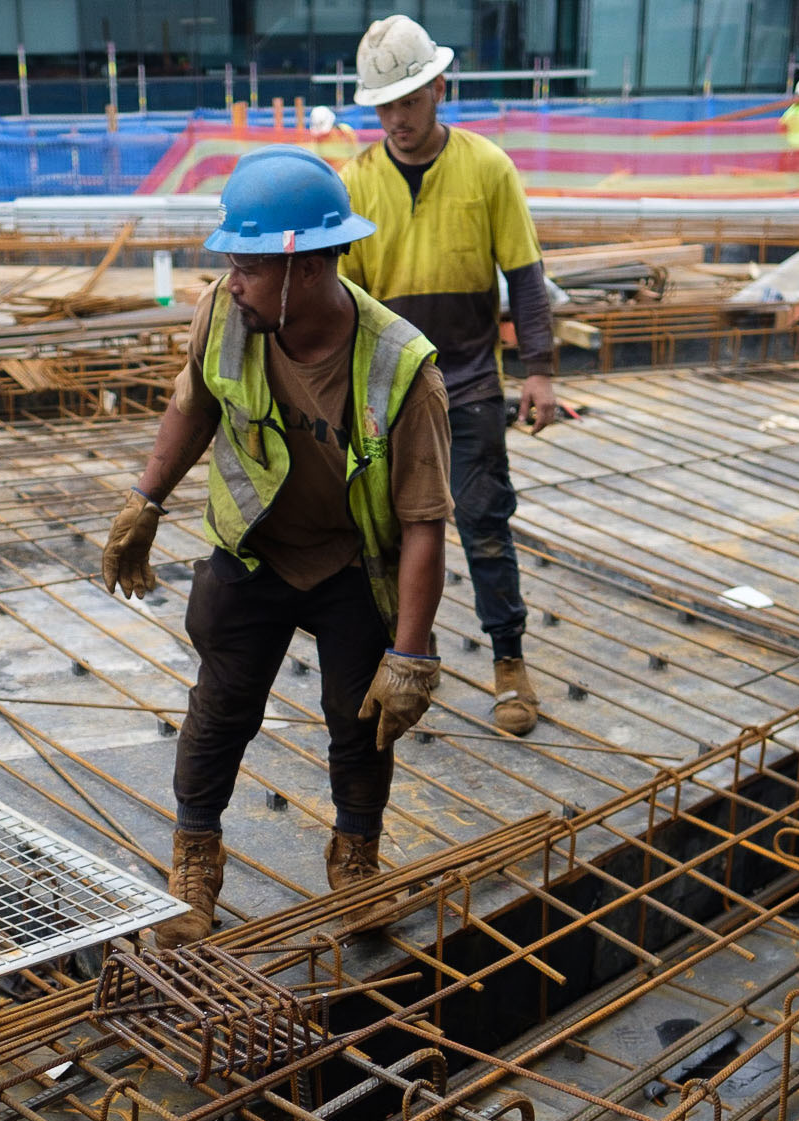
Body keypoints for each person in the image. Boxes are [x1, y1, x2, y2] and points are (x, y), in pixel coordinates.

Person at [98, 147, 451, 945]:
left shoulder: (403, 369)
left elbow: (426, 520)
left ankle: (355, 860)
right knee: (220, 709)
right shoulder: (227, 315)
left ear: (308, 267)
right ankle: (195, 859)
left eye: (249, 267)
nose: (232, 281)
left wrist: (413, 653)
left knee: (359, 719)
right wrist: (144, 500)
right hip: (252, 548)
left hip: (352, 561)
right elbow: (195, 407)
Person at [338, 13, 556, 738]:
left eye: (408, 100)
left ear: (438, 88)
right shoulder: (357, 183)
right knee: (385, 531)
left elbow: (524, 277)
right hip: (387, 395)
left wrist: (541, 371)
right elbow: (346, 304)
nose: (397, 119)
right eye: (385, 106)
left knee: (486, 523)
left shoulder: (487, 168)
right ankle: (406, 657)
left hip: (468, 385)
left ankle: (508, 662)